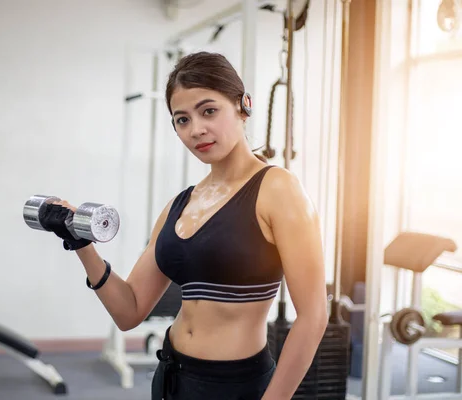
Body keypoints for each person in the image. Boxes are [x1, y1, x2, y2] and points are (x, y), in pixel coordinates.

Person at [41, 51, 328, 400]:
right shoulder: (180, 204)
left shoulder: (278, 189)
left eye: (208, 111)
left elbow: (313, 317)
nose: (196, 130)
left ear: (243, 106)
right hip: (171, 377)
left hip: (234, 385)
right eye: (182, 120)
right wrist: (80, 241)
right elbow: (129, 311)